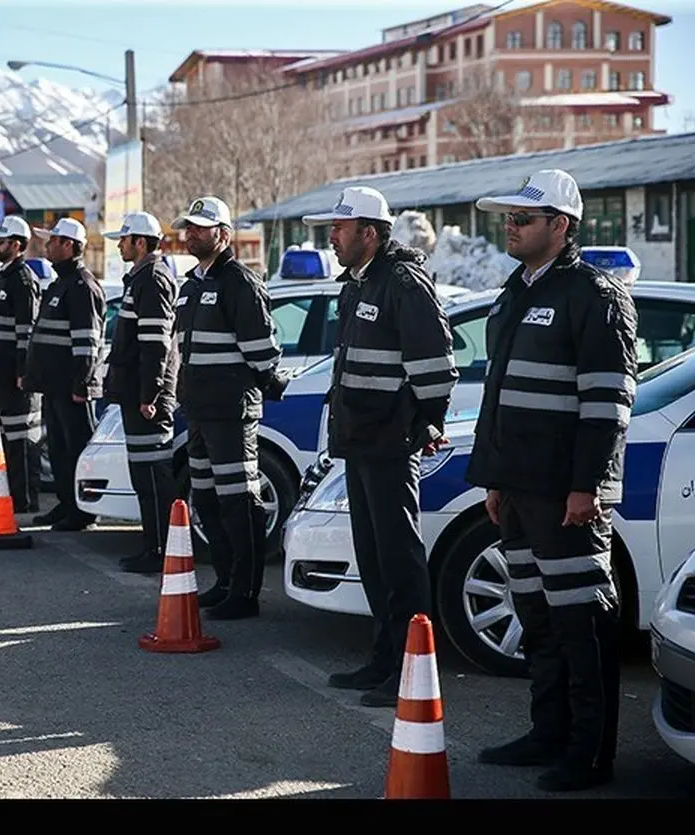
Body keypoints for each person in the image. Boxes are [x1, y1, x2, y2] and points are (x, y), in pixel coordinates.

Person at [466, 169, 636, 792]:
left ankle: (589, 755)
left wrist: (587, 485)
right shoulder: (515, 290)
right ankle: (548, 733)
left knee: (581, 624)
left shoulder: (595, 294)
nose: (510, 227)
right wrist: (493, 477)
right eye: (508, 218)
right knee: (537, 616)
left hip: (569, 495)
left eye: (523, 219)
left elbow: (609, 402)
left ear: (560, 227)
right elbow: (497, 396)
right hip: (517, 489)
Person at [302, 186, 457, 706]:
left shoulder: (403, 282)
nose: (332, 237)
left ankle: (412, 671)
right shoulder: (357, 285)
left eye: (340, 229)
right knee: (372, 558)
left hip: (390, 444)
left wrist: (423, 423)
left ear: (370, 233)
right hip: (360, 442)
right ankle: (385, 658)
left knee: (399, 560)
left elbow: (436, 366)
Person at [172, 196, 283, 620]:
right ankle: (223, 581)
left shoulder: (240, 282)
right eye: (189, 227)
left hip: (232, 414)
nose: (192, 234)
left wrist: (249, 386)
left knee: (239, 503)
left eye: (201, 227)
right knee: (207, 500)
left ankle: (245, 592)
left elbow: (263, 354)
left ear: (223, 233)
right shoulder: (192, 284)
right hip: (199, 412)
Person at [102, 211, 180, 573]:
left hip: (146, 396)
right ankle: (154, 546)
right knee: (143, 477)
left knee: (152, 478)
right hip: (137, 392)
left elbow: (155, 346)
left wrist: (149, 394)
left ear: (140, 242)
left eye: (124, 238)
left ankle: (161, 550)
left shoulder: (152, 279)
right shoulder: (141, 278)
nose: (119, 244)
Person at [24, 218, 106, 532]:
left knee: (77, 448)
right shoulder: (60, 283)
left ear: (68, 245)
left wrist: (81, 382)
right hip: (54, 385)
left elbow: (88, 341)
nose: (47, 245)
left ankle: (83, 512)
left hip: (72, 387)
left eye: (53, 241)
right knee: (58, 449)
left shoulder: (82, 285)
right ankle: (66, 503)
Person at [0, 216, 43, 514]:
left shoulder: (23, 279)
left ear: (16, 245)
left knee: (21, 439)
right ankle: (12, 493)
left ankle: (25, 499)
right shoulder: (4, 277)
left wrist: (23, 371)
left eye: (1, 242)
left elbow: (26, 332)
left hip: (14, 377)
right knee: (7, 437)